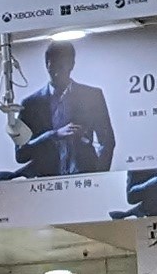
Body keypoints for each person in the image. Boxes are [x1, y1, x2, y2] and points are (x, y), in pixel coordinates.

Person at [10, 41, 115, 176]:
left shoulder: (93, 96)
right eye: (53, 65)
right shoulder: (30, 104)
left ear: (72, 65)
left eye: (63, 65)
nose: (58, 71)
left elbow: (107, 142)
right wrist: (54, 135)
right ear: (47, 65)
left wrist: (100, 176)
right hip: (47, 184)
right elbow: (21, 155)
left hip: (85, 180)